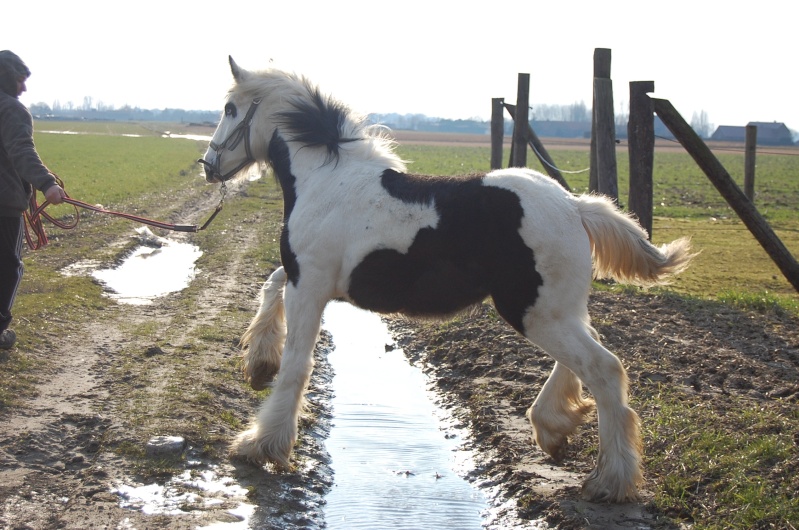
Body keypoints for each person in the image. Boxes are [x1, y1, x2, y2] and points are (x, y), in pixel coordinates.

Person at [0, 50, 66, 350]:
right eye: (20, 81)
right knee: (9, 267)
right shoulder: (11, 109)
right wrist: (48, 184)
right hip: (4, 208)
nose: (24, 88)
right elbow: (22, 151)